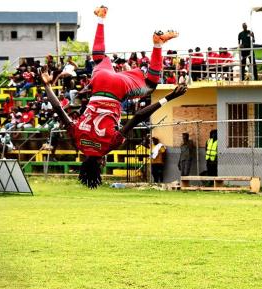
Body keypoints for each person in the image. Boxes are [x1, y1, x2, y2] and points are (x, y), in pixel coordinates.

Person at [41, 6, 186, 188]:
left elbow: (138, 116)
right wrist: (47, 85)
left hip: (118, 90)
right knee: (98, 58)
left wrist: (169, 97)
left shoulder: (109, 146)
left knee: (151, 84)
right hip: (100, 82)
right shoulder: (77, 140)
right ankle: (101, 18)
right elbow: (58, 109)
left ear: (101, 163)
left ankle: (158, 44)